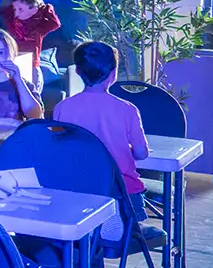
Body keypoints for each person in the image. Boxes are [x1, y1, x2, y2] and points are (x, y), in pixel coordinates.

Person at [53, 41, 150, 222]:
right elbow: (141, 153)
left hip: (77, 191)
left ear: (78, 71)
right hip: (122, 192)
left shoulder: (63, 107)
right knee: (125, 235)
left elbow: (60, 149)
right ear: (113, 74)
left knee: (86, 234)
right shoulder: (127, 109)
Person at [0, 29, 43, 122]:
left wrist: (18, 80)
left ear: (12, 54)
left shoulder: (25, 85)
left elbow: (35, 116)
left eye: (1, 52)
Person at [0, 0, 61, 85]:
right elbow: (2, 12)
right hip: (13, 63)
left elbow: (55, 23)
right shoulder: (12, 23)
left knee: (32, 88)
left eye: (21, 9)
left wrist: (46, 9)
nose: (16, 13)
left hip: (31, 64)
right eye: (15, 9)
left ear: (34, 10)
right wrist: (15, 6)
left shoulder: (39, 27)